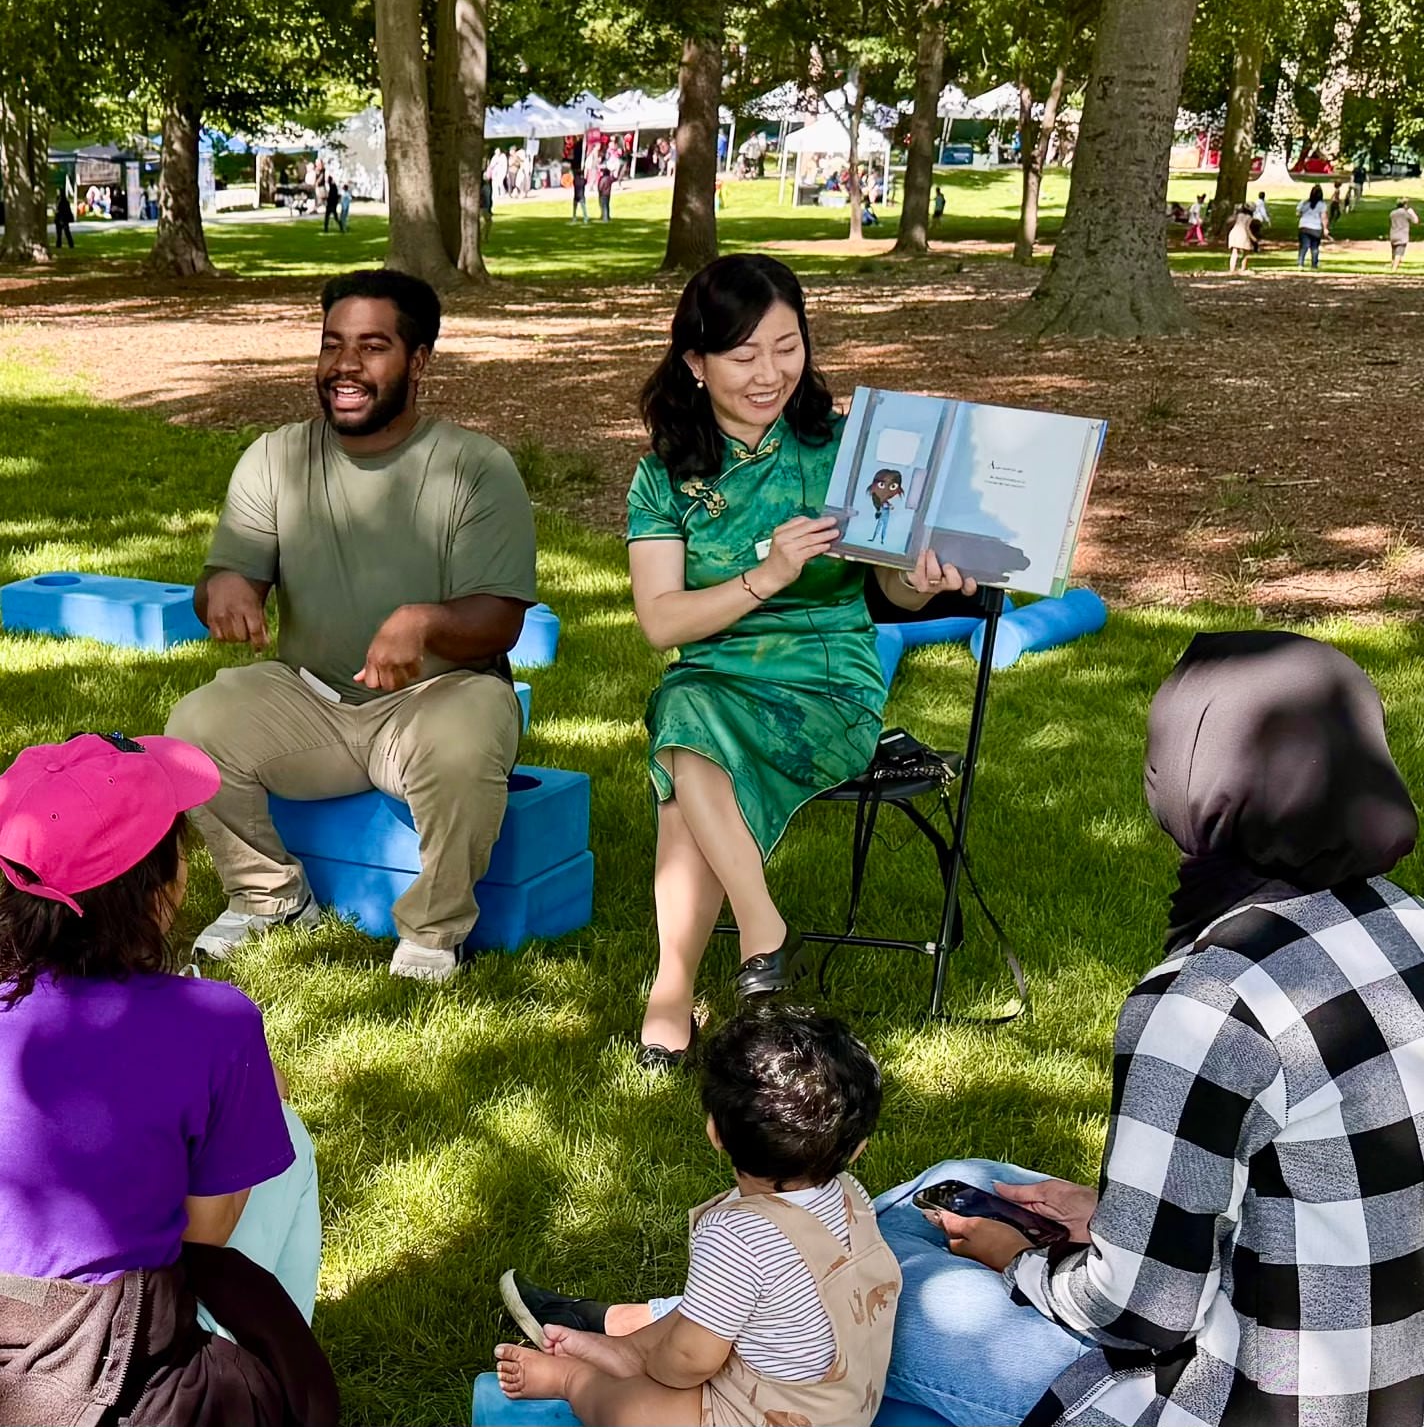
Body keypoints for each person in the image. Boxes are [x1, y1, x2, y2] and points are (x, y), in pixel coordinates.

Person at [875, 630, 1424, 1427]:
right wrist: (1112, 1212)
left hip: (1251, 1399)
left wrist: (1025, 1261)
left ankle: (669, 1330)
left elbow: (1136, 1313)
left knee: (872, 1278)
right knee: (963, 1172)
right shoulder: (1408, 925)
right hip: (1388, 1369)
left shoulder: (1211, 1000)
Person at [624, 254, 975, 1066]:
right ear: (695, 364)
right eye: (744, 355)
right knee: (688, 719)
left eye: (787, 347)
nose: (769, 373)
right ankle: (745, 934)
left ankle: (681, 986)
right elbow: (660, 621)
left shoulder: (847, 449)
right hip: (714, 671)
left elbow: (893, 586)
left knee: (683, 741)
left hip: (829, 680)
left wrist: (919, 584)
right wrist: (766, 574)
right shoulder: (664, 477)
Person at [165, 270, 537, 983]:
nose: (345, 365)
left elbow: (501, 622)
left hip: (436, 701)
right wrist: (225, 590)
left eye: (372, 347)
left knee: (465, 737)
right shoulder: (276, 458)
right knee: (192, 728)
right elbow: (224, 575)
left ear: (418, 360)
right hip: (312, 701)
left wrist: (423, 622)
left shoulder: (475, 468)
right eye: (333, 344)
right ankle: (270, 894)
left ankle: (433, 932)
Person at [0, 732, 336, 1425]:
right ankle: (266, 1341)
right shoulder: (217, 1023)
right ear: (159, 883)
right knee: (290, 1139)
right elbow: (203, 1234)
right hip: (115, 1358)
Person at [494, 1008, 900, 1427]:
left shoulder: (738, 1236)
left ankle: (573, 1381)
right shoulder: (852, 1198)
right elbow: (713, 1314)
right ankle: (625, 1349)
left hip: (762, 1415)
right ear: (857, 1149)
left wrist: (658, 1378)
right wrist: (642, 1353)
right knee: (705, 1311)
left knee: (635, 1412)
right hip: (843, 1406)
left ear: (715, 1133)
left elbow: (690, 1359)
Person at [1297, 182, 1330, 268]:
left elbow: (1298, 213)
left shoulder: (1304, 203)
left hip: (1304, 226)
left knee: (1303, 246)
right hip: (1315, 228)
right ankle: (1314, 264)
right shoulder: (1322, 205)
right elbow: (1324, 217)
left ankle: (1300, 263)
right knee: (1314, 247)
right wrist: (1325, 228)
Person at [1389, 196, 1418, 269]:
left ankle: (1393, 264)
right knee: (1399, 253)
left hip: (1393, 234)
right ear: (1405, 205)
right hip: (1402, 236)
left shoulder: (1392, 213)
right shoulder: (1405, 213)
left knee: (1394, 251)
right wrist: (1412, 213)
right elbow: (1415, 221)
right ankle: (1394, 269)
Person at [1226, 202, 1255, 271]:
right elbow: (1247, 228)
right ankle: (1243, 268)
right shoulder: (1249, 218)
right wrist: (1253, 238)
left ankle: (1232, 269)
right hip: (1243, 234)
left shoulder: (1238, 215)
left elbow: (1228, 221)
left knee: (1234, 252)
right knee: (1246, 252)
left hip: (1234, 233)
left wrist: (1234, 212)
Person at [571, 158, 589, 224]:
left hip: (576, 196)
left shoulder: (575, 180)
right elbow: (586, 181)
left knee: (575, 209)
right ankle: (585, 218)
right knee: (583, 208)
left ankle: (574, 218)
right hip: (581, 196)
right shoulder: (582, 180)